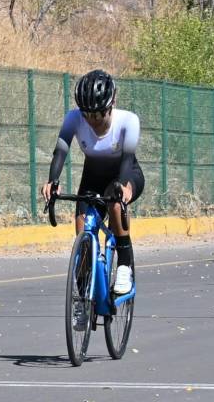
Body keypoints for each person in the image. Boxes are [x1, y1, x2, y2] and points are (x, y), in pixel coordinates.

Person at [40, 69, 145, 297]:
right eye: (88, 115)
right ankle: (82, 299)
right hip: (93, 178)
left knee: (115, 204)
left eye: (99, 114)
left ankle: (124, 266)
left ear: (112, 103)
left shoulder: (128, 121)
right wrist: (53, 181)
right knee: (83, 234)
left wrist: (124, 187)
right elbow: (60, 152)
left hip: (125, 174)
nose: (93, 121)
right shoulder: (73, 118)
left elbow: (127, 160)